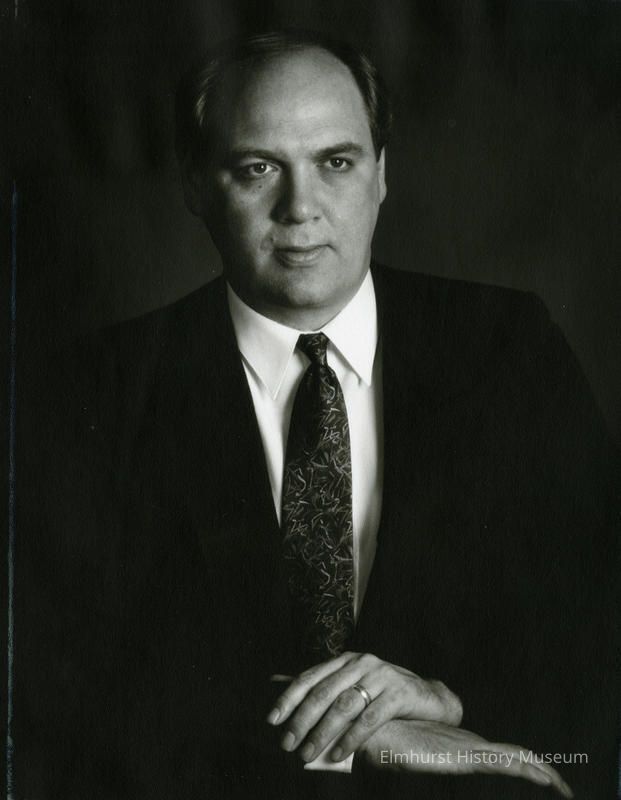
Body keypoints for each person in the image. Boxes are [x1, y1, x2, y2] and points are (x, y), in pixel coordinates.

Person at [16, 29, 618, 800]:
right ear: (196, 185)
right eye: (257, 168)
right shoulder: (89, 392)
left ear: (380, 175)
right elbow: (58, 688)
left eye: (336, 162)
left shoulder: (511, 350)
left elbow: (597, 631)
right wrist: (357, 736)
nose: (300, 208)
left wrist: (447, 702)